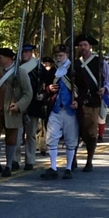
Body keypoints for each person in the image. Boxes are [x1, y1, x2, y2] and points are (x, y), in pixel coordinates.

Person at [0, 47, 33, 178]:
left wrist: (19, 105)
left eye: (0, 57)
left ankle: (8, 165)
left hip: (12, 111)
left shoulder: (20, 72)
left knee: (11, 140)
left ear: (8, 59)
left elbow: (28, 93)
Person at [74, 34, 109, 172]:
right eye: (80, 45)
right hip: (76, 102)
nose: (83, 48)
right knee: (74, 131)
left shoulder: (100, 62)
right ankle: (72, 159)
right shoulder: (75, 63)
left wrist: (105, 89)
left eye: (85, 45)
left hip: (92, 102)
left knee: (91, 132)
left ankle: (89, 161)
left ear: (90, 47)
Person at [40, 44, 79, 180]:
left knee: (71, 140)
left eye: (61, 55)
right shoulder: (52, 72)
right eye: (56, 56)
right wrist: (49, 88)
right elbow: (45, 88)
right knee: (52, 139)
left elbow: (84, 89)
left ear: (67, 55)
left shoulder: (75, 70)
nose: (58, 58)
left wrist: (77, 101)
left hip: (70, 111)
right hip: (55, 110)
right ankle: (53, 167)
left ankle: (68, 168)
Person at [14, 43, 44, 171]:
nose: (24, 54)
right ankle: (15, 160)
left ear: (31, 53)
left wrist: (43, 93)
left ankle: (30, 160)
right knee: (16, 134)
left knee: (30, 134)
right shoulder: (15, 67)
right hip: (17, 104)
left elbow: (46, 83)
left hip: (33, 104)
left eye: (27, 52)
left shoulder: (38, 67)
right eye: (23, 52)